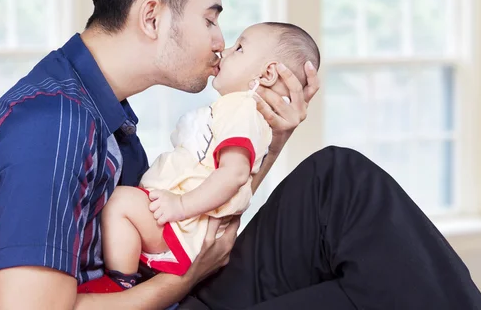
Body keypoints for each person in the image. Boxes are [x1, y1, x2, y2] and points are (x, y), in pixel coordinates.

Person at [0, 0, 481, 310]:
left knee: (339, 185)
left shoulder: (105, 113)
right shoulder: (54, 124)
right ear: (152, 16)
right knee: (378, 284)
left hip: (167, 290)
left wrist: (273, 136)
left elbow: (197, 222)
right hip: (165, 297)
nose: (219, 44)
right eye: (211, 20)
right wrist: (181, 283)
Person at [101, 22, 320, 286]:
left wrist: (180, 206)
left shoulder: (241, 109)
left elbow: (236, 173)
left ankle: (120, 284)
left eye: (239, 48)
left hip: (183, 226)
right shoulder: (237, 110)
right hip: (181, 221)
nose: (225, 51)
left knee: (120, 203)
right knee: (124, 207)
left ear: (268, 73)